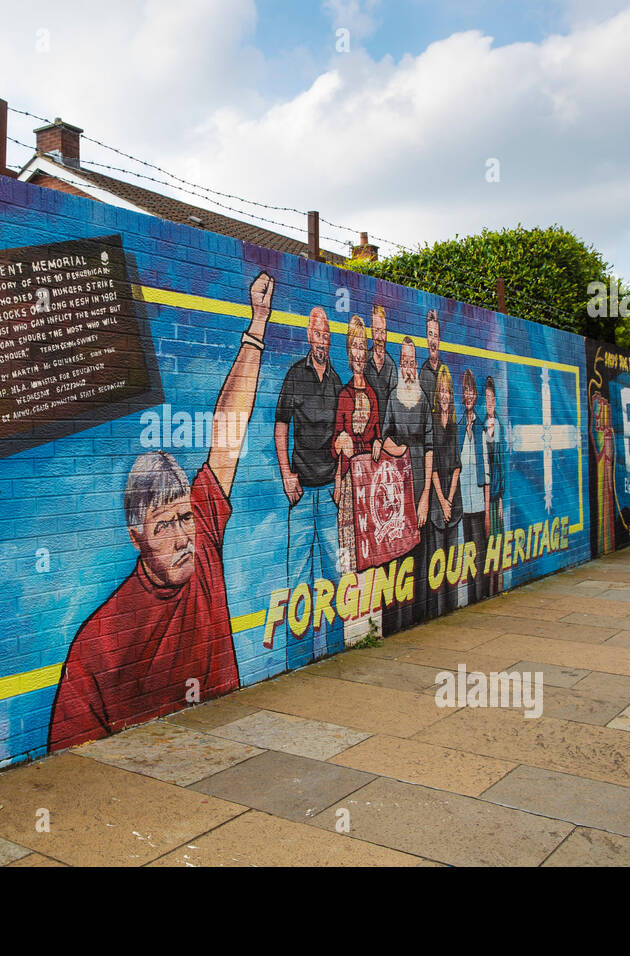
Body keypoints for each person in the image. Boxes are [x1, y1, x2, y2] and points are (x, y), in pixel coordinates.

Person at [48, 271, 277, 751]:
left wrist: (256, 326)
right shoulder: (97, 645)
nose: (182, 538)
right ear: (137, 538)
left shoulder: (204, 548)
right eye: (163, 527)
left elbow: (228, 433)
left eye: (185, 518)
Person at [274, 305, 344, 667]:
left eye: (327, 335)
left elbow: (346, 433)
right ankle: (297, 662)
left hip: (330, 493)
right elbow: (281, 426)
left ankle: (336, 653)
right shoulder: (294, 376)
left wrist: (342, 478)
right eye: (317, 334)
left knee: (333, 575)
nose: (322, 340)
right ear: (308, 335)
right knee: (299, 580)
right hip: (301, 494)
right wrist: (287, 473)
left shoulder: (336, 381)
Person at [378, 339, 434, 634]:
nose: (409, 368)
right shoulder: (393, 397)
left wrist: (425, 495)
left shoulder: (423, 400)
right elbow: (384, 436)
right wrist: (398, 450)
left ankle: (416, 619)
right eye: (405, 362)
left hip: (418, 490)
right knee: (396, 554)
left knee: (418, 555)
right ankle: (394, 622)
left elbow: (429, 447)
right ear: (400, 365)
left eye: (413, 362)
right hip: (396, 491)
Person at [332, 315, 382, 575]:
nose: (360, 353)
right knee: (349, 544)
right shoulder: (344, 394)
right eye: (355, 347)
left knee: (370, 538)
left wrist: (377, 443)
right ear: (349, 353)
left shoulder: (372, 394)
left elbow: (377, 434)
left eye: (363, 347)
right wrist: (339, 482)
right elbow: (336, 442)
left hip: (369, 480)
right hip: (350, 480)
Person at [428, 362, 462, 617]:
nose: (444, 396)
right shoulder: (432, 422)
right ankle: (439, 612)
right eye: (440, 391)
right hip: (437, 502)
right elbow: (435, 468)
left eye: (447, 391)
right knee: (438, 559)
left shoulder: (454, 424)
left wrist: (450, 500)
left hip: (453, 500)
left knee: (453, 561)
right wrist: (441, 500)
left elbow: (456, 466)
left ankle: (453, 608)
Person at [458, 369, 490, 606]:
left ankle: (481, 598)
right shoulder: (459, 428)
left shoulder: (481, 428)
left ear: (476, 395)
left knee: (480, 557)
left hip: (479, 505)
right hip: (463, 507)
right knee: (467, 557)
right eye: (465, 391)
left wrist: (488, 510)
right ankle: (470, 600)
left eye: (471, 390)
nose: (468, 395)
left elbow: (486, 473)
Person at [482, 376, 507, 596]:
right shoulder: (483, 427)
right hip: (486, 497)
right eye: (486, 398)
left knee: (498, 544)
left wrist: (499, 500)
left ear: (496, 401)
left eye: (492, 398)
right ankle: (490, 589)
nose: (489, 402)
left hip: (496, 496)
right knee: (488, 547)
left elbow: (501, 465)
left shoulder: (498, 425)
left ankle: (497, 587)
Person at [365, 305, 396, 420]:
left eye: (383, 332)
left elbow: (393, 405)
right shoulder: (364, 361)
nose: (380, 337)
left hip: (384, 431)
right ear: (371, 331)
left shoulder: (391, 365)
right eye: (377, 331)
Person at [420, 309, 443, 414]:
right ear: (426, 338)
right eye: (430, 334)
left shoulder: (444, 371)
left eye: (435, 335)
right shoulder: (423, 373)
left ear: (439, 340)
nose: (433, 341)